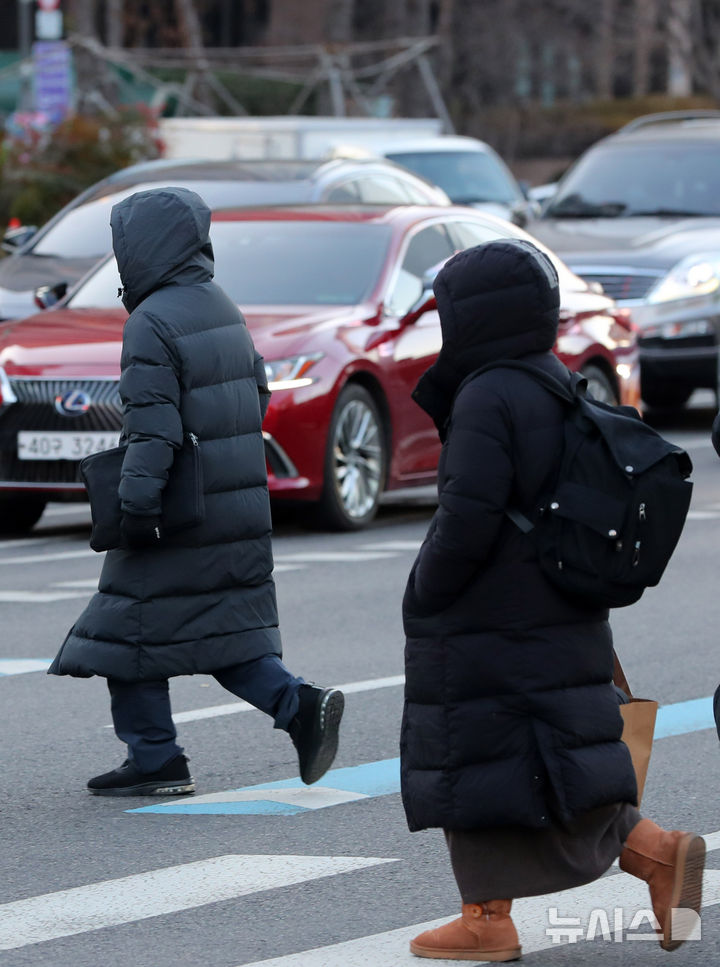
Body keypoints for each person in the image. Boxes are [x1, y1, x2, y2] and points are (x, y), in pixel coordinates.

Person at [400, 238, 705, 960]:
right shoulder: (550, 379)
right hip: (552, 602)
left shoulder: (485, 394)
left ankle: (486, 917)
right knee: (553, 754)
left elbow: (467, 515)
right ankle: (656, 853)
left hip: (490, 612)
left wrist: (425, 591)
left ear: (476, 318)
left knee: (474, 754)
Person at [49, 186, 343, 797]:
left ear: (142, 247)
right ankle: (299, 706)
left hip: (174, 512)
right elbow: (255, 399)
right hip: (232, 504)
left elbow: (150, 429)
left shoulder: (151, 322)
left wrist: (134, 506)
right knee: (217, 628)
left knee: (120, 632)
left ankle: (156, 758)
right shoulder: (221, 306)